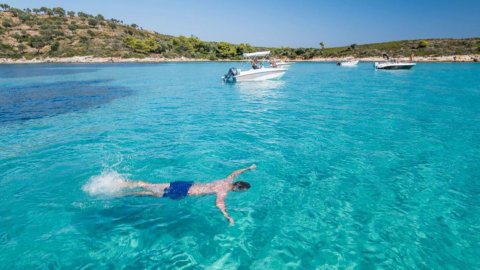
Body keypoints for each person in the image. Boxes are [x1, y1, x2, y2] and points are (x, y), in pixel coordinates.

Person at [121, 164, 256, 224]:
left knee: (153, 186)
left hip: (187, 184)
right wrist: (228, 217)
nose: (240, 193)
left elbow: (235, 172)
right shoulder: (223, 191)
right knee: (152, 194)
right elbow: (219, 204)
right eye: (242, 190)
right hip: (185, 191)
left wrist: (248, 168)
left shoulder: (227, 180)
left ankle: (125, 183)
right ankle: (125, 195)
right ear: (238, 187)